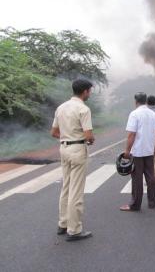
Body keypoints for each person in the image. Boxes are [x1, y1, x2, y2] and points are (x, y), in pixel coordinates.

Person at [50, 79, 95, 242]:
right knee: (76, 190)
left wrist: (67, 137)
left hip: (64, 148)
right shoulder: (83, 109)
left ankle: (63, 223)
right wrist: (89, 139)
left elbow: (54, 132)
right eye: (90, 90)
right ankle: (74, 230)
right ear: (84, 92)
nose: (90, 93)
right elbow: (89, 135)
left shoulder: (61, 107)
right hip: (77, 150)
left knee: (66, 187)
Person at [120, 92, 155, 212]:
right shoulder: (153, 114)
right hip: (149, 150)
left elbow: (131, 134)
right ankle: (152, 202)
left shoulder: (134, 114)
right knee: (150, 177)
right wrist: (154, 147)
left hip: (137, 151)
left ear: (136, 101)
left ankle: (135, 205)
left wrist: (127, 151)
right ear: (146, 101)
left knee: (137, 178)